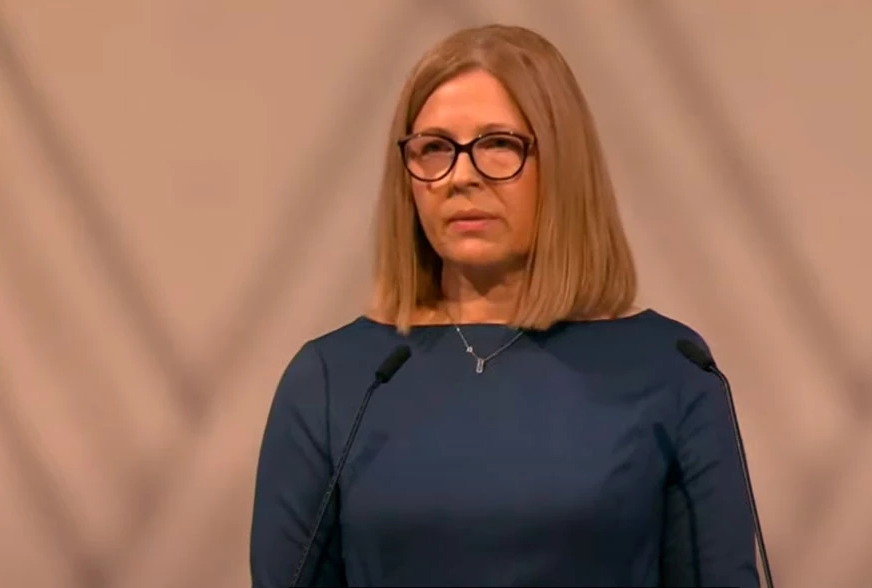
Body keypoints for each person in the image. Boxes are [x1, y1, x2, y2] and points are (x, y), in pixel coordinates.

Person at [250, 23, 759, 587]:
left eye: (498, 145)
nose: (461, 177)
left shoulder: (673, 369)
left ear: (563, 164)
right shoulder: (335, 379)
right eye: (434, 148)